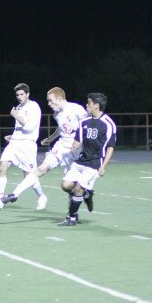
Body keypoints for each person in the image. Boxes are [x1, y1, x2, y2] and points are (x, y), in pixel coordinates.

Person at [1, 87, 88, 208]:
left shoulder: (76, 109)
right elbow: (61, 128)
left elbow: (87, 125)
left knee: (69, 186)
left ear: (59, 99)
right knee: (41, 169)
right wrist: (50, 139)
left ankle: (79, 203)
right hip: (61, 146)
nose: (49, 104)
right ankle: (14, 194)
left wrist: (79, 140)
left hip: (76, 150)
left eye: (51, 101)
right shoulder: (57, 114)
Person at [58, 92, 117, 227]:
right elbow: (78, 140)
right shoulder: (83, 121)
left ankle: (71, 217)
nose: (86, 105)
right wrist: (74, 145)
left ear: (96, 105)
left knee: (78, 188)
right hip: (81, 161)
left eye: (89, 102)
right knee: (65, 185)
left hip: (95, 163)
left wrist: (103, 166)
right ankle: (86, 194)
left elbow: (110, 148)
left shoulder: (108, 124)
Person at [0, 83, 46, 210]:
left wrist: (16, 116)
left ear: (27, 94)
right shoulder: (18, 107)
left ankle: (41, 196)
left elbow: (29, 127)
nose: (19, 97)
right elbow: (19, 128)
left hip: (27, 144)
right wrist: (12, 136)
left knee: (28, 174)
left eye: (22, 94)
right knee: (2, 165)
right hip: (15, 143)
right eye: (17, 95)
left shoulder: (34, 107)